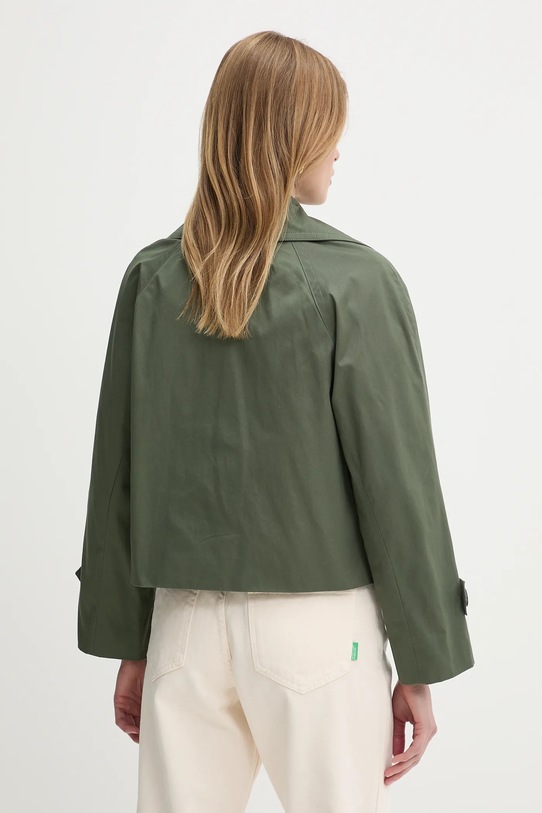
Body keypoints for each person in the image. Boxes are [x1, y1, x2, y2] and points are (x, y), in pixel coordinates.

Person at [74, 30, 474, 813]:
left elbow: (116, 473)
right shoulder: (356, 281)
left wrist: (130, 638)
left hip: (183, 629)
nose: (338, 149)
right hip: (320, 634)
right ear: (293, 139)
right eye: (329, 129)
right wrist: (423, 658)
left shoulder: (152, 279)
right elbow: (398, 487)